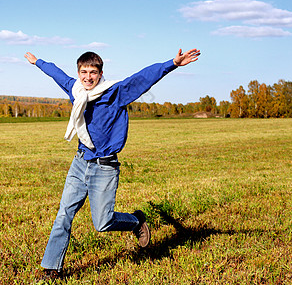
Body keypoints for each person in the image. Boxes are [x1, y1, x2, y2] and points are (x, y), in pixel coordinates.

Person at [24, 48, 200, 280]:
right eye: (84, 72)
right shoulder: (76, 90)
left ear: (100, 73)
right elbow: (57, 74)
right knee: (63, 215)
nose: (88, 77)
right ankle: (52, 269)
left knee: (103, 223)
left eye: (93, 72)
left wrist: (173, 63)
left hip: (105, 168)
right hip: (79, 163)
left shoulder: (116, 92)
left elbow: (143, 78)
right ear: (79, 73)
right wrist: (38, 62)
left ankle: (136, 221)